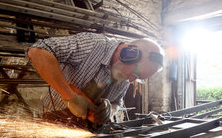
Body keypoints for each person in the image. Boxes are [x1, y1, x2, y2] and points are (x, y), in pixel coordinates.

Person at [27, 32, 164, 129]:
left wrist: (110, 110)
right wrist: (70, 97)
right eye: (135, 74)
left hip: (88, 131)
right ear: (128, 55)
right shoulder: (93, 45)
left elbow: (118, 100)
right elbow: (37, 51)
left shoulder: (126, 76)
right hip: (52, 122)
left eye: (138, 79)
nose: (132, 80)